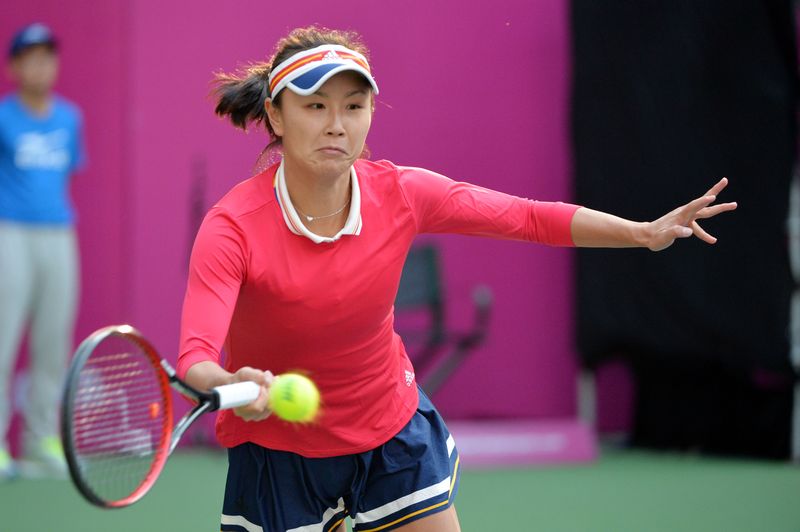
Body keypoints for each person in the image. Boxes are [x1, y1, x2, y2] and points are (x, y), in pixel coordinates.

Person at [176, 26, 736, 532]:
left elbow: (528, 217)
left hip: (389, 433)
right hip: (278, 456)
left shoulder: (401, 193)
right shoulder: (232, 227)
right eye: (315, 106)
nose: (337, 125)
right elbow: (195, 359)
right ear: (276, 117)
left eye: (353, 106)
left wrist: (642, 232)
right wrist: (233, 385)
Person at [0, 23, 85, 480]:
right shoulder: (3, 117)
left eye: (47, 57)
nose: (41, 66)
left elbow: (66, 172)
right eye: (30, 58)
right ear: (14, 67)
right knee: (3, 337)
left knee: (53, 341)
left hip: (59, 234)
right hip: (9, 233)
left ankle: (41, 438)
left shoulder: (70, 118)